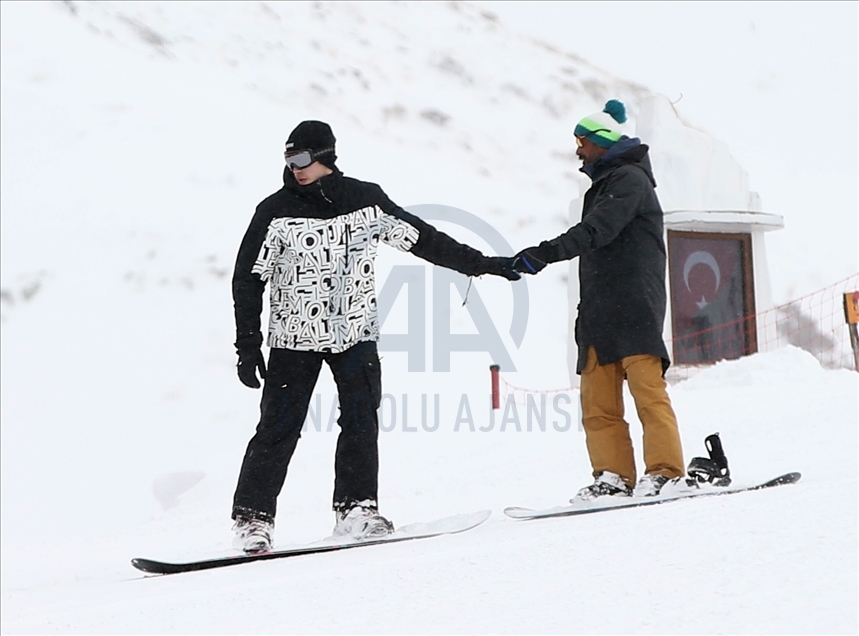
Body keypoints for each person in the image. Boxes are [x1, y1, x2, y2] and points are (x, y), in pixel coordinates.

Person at [230, 120, 518, 553]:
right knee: (277, 428)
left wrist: (483, 264)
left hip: (355, 332)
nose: (295, 169)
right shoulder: (275, 210)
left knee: (361, 422)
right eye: (289, 160)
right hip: (294, 337)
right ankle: (252, 520)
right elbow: (248, 278)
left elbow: (424, 239)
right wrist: (248, 345)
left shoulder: (366, 200)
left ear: (325, 155)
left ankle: (356, 510)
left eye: (303, 159)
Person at [503, 100, 686, 501]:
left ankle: (666, 472)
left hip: (636, 304)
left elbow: (596, 231)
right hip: (600, 310)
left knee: (647, 394)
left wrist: (543, 253)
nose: (578, 151)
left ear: (603, 142)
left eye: (582, 141)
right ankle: (614, 476)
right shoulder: (604, 185)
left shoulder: (630, 181)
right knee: (597, 403)